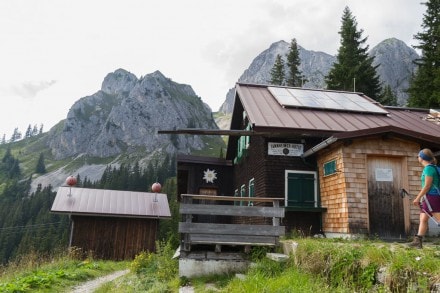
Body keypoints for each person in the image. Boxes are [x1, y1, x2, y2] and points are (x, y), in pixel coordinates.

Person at [408, 148, 440, 248]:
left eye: (418, 156)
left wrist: (417, 198)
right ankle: (418, 241)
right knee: (423, 218)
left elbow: (427, 186)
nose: (418, 158)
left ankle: (418, 241)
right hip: (430, 197)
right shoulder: (434, 168)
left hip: (431, 197)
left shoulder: (429, 169)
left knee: (438, 218)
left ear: (422, 157)